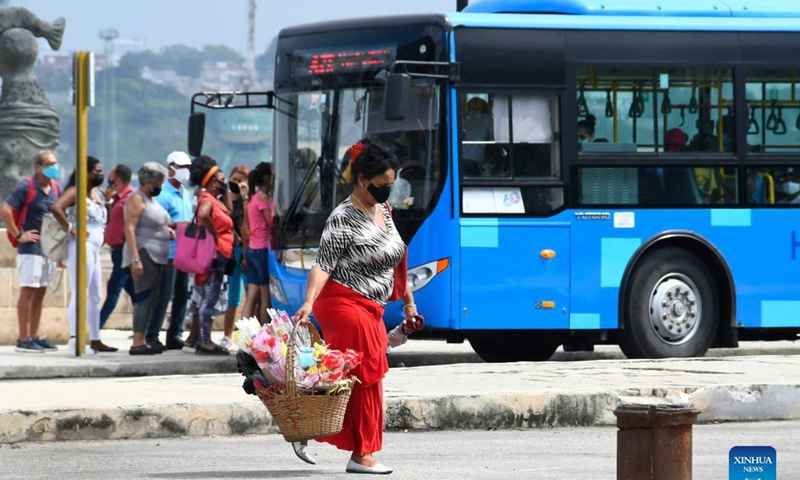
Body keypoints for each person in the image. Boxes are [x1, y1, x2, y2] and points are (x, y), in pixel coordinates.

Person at [292, 138, 422, 474]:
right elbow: (322, 264)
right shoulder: (342, 218)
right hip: (342, 302)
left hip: (372, 305)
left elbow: (395, 263)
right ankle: (361, 455)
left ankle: (307, 426)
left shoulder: (386, 211)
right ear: (363, 180)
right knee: (367, 374)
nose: (387, 191)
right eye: (382, 186)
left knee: (350, 376)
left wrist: (409, 303)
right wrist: (308, 302)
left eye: (392, 185)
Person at [50, 156, 117, 354]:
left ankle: (95, 338)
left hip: (96, 246)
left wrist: (110, 199)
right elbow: (56, 208)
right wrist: (71, 229)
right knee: (81, 291)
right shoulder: (75, 191)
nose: (100, 175)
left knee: (95, 294)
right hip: (81, 244)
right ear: (86, 172)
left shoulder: (97, 193)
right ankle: (74, 337)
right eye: (96, 171)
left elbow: (107, 220)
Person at [0, 150, 61, 353]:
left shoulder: (55, 187)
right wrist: (19, 235)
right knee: (28, 290)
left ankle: (35, 335)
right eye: (50, 164)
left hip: (48, 248)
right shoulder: (27, 186)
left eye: (55, 163)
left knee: (41, 291)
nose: (54, 167)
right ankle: (23, 337)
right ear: (38, 167)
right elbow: (6, 209)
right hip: (30, 247)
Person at [123, 163, 174, 355]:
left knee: (153, 298)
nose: (160, 186)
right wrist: (135, 259)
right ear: (149, 182)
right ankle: (137, 342)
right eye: (158, 182)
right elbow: (130, 228)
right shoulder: (136, 199)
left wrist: (166, 231)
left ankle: (144, 338)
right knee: (143, 298)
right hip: (144, 254)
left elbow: (156, 222)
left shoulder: (151, 199)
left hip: (158, 256)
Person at [189, 155, 234, 356]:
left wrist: (227, 193)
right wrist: (214, 233)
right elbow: (203, 215)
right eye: (220, 180)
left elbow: (230, 212)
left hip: (223, 253)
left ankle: (203, 338)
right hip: (215, 254)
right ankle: (205, 341)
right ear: (212, 181)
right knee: (210, 297)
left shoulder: (216, 200)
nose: (223, 183)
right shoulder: (207, 199)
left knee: (210, 295)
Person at [149, 151, 194, 351]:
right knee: (163, 295)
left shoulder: (186, 194)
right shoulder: (163, 195)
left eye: (187, 167)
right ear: (170, 168)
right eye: (181, 167)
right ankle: (152, 334)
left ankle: (175, 334)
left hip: (185, 253)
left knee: (182, 295)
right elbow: (158, 223)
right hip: (167, 252)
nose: (185, 171)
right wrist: (179, 225)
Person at [99, 165, 135, 329]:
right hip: (115, 249)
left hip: (123, 250)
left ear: (118, 180)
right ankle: (145, 327)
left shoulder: (129, 198)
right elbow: (111, 219)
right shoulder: (118, 198)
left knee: (114, 288)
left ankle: (96, 327)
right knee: (133, 291)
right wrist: (107, 201)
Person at [221, 165, 250, 350]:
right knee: (233, 296)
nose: (236, 184)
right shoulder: (223, 200)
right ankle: (227, 335)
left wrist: (245, 197)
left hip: (245, 251)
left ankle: (247, 336)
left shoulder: (247, 201)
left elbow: (249, 223)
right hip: (230, 252)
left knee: (250, 293)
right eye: (234, 180)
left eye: (240, 180)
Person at [242, 162, 274, 323]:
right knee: (265, 296)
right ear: (268, 178)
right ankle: (264, 333)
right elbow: (271, 222)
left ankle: (244, 334)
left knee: (252, 294)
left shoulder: (252, 198)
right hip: (262, 250)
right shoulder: (263, 198)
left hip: (252, 249)